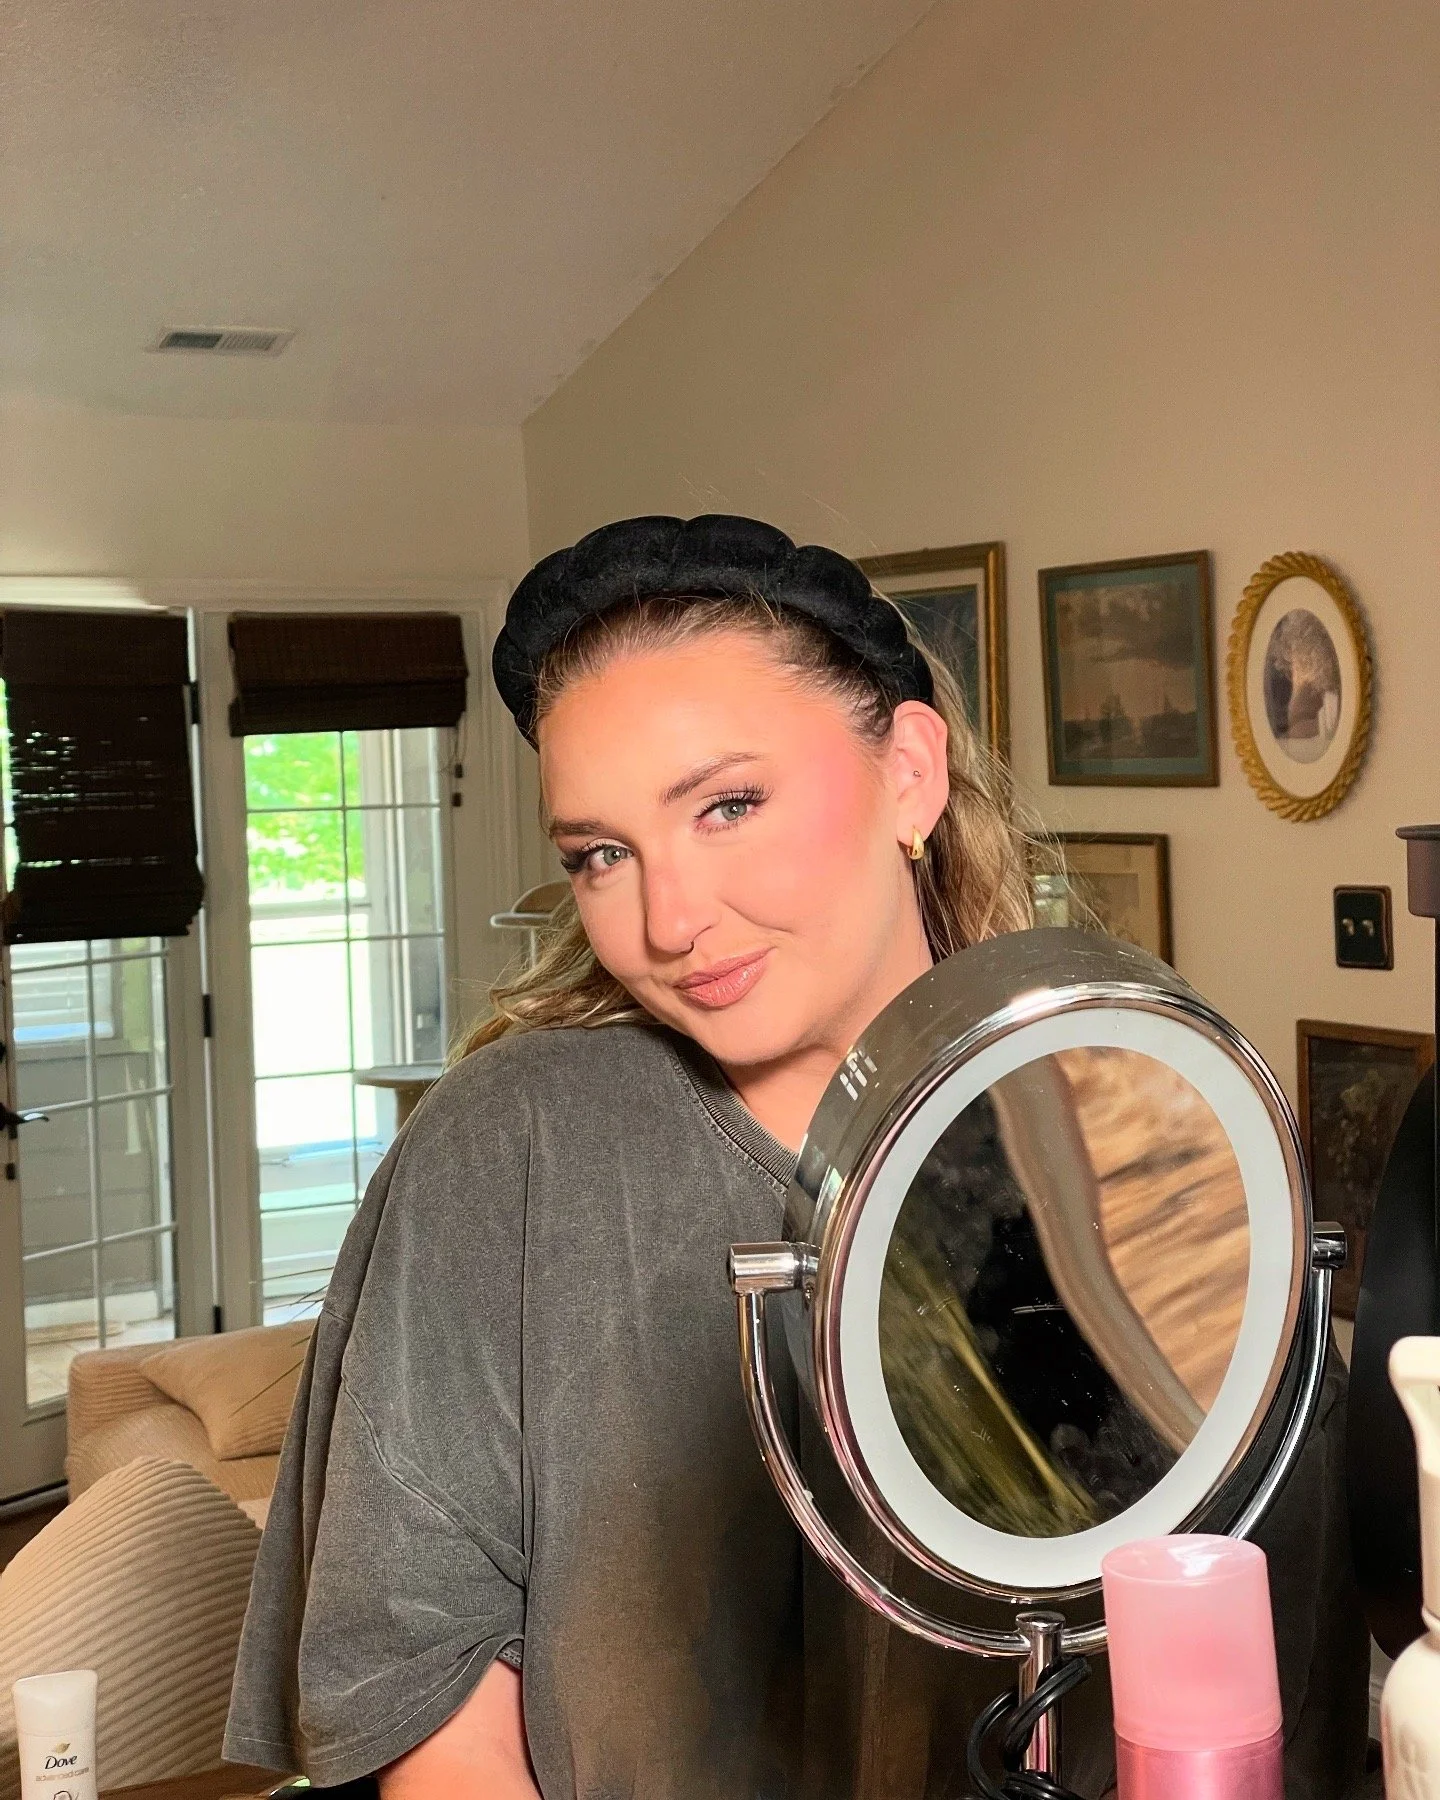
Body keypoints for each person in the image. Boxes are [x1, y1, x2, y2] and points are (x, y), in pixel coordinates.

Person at [224, 515, 1367, 1799]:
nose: (667, 918)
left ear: (911, 773)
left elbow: (1278, 1663)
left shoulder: (1147, 1127)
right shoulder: (513, 1151)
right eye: (601, 854)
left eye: (728, 804)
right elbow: (427, 1702)